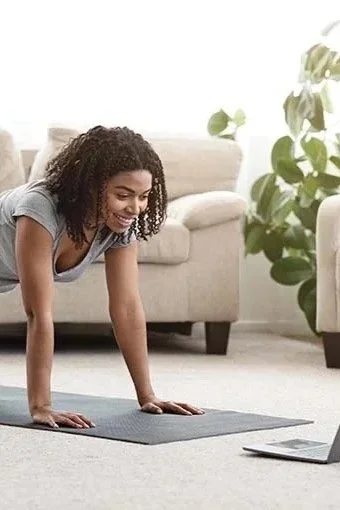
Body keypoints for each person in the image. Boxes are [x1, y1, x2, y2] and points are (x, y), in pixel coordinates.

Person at [0, 125, 204, 429]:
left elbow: (127, 308)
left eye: (144, 196)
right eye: (123, 195)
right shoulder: (39, 207)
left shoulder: (118, 226)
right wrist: (41, 406)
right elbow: (37, 313)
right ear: (91, 186)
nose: (135, 208)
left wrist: (147, 395)